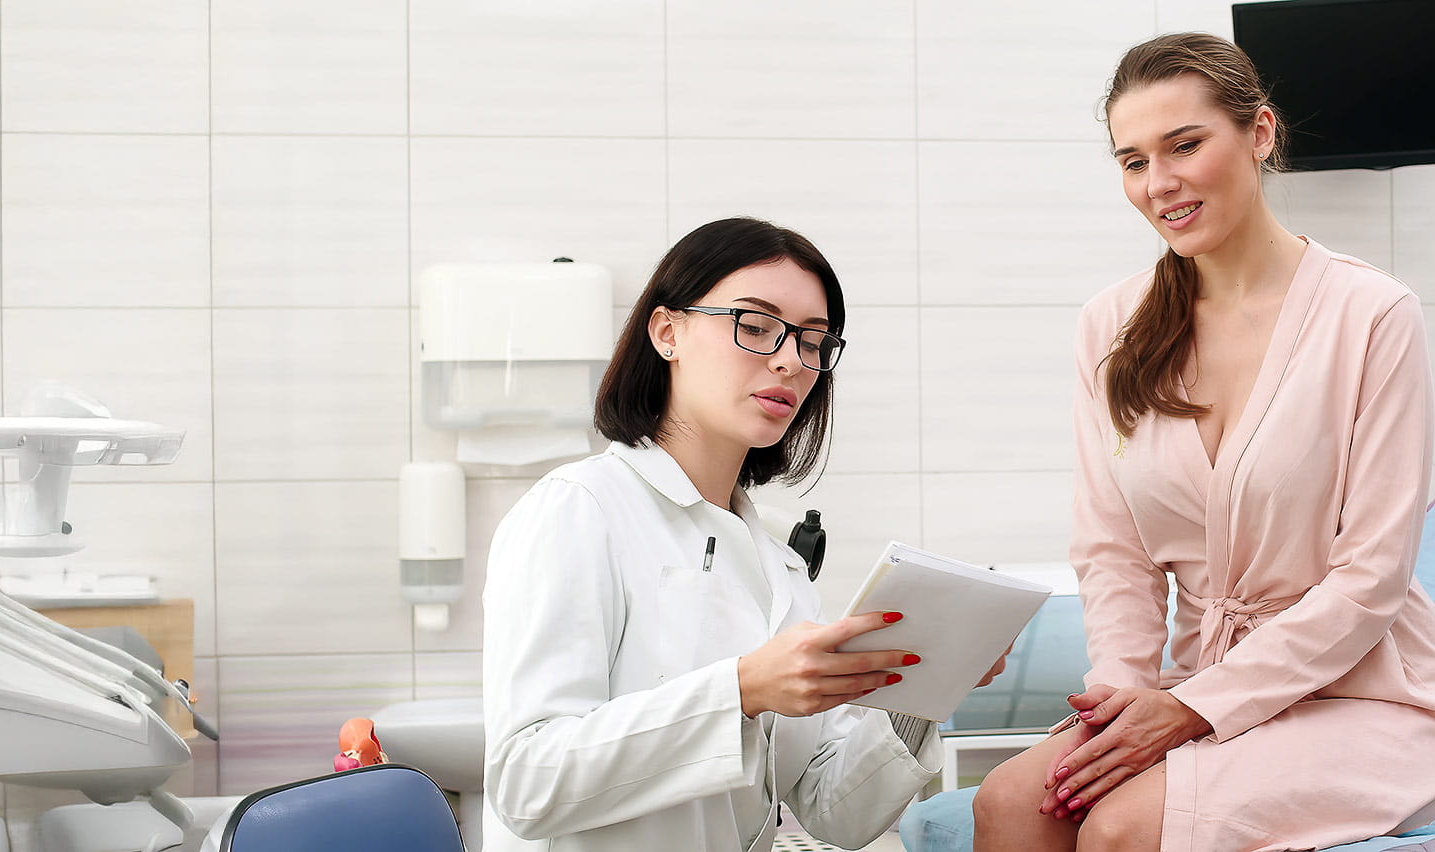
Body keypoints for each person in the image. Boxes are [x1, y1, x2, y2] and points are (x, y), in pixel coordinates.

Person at [966, 32, 1435, 852]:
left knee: (1119, 828)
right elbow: (1115, 554)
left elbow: (1371, 581)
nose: (1160, 184)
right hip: (1198, 682)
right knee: (1013, 803)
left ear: (1259, 133)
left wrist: (1188, 710)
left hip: (1365, 692)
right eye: (1134, 160)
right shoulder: (1110, 326)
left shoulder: (1375, 315)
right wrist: (1118, 700)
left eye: (1185, 145)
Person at [482, 217, 1004, 852]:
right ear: (667, 332)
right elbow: (525, 785)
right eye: (755, 327)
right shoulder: (580, 509)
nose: (791, 360)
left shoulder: (775, 565)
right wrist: (742, 690)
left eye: (814, 342)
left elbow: (832, 811)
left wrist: (923, 684)